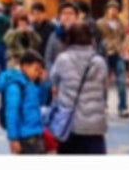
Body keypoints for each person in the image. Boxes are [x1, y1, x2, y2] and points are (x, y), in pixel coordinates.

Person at [47, 20, 110, 155]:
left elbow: (53, 80)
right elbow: (104, 89)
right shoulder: (99, 61)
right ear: (90, 38)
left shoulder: (62, 59)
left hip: (69, 124)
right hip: (95, 125)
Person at [0, 49, 52, 154]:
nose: (37, 73)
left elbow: (40, 102)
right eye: (36, 69)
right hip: (25, 136)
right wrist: (13, 138)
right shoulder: (15, 86)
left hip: (35, 132)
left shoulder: (29, 83)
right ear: (24, 66)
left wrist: (43, 83)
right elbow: (11, 113)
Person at [97, 4, 129, 118]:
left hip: (118, 54)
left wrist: (122, 47)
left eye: (116, 9)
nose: (113, 11)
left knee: (121, 81)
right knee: (103, 82)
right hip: (105, 54)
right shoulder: (100, 23)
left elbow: (124, 37)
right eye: (111, 9)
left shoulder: (121, 23)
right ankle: (102, 106)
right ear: (107, 10)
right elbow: (97, 38)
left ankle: (123, 107)